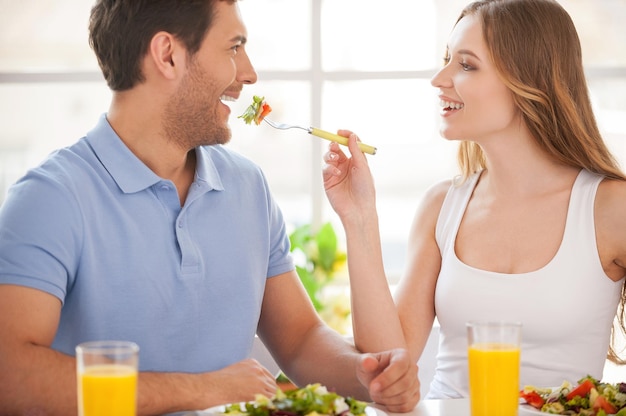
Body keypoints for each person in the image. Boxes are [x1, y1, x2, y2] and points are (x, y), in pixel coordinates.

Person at [0, 1, 421, 414]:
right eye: (234, 47)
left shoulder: (247, 186)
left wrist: (367, 374)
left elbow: (300, 339)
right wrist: (201, 390)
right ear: (168, 55)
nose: (250, 73)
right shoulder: (50, 199)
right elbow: (11, 374)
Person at [323, 0, 626, 400]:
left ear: (526, 80)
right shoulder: (442, 207)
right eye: (447, 59)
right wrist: (359, 217)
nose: (439, 79)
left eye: (466, 65)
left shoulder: (609, 209)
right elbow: (387, 361)